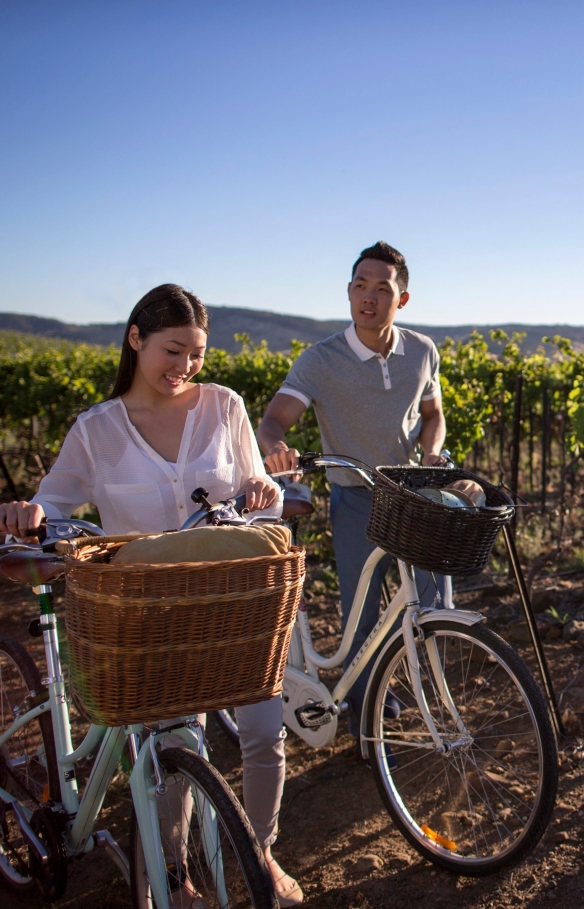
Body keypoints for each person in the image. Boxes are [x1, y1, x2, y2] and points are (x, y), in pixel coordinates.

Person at [0, 284, 303, 908]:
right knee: (172, 743)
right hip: (150, 612)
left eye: (196, 354)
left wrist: (262, 493)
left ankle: (262, 853)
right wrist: (28, 512)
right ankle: (173, 872)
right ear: (135, 339)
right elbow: (51, 504)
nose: (186, 367)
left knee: (263, 732)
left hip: (233, 599)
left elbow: (260, 484)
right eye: (173, 350)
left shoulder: (224, 406)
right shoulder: (96, 430)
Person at [257, 242, 447, 739]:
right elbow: (274, 420)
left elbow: (433, 415)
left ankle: (413, 687)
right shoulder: (321, 360)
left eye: (382, 288)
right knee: (360, 616)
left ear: (401, 299)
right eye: (360, 286)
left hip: (412, 493)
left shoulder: (423, 352)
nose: (369, 297)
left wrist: (431, 454)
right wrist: (277, 447)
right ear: (348, 293)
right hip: (355, 497)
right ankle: (367, 723)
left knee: (428, 603)